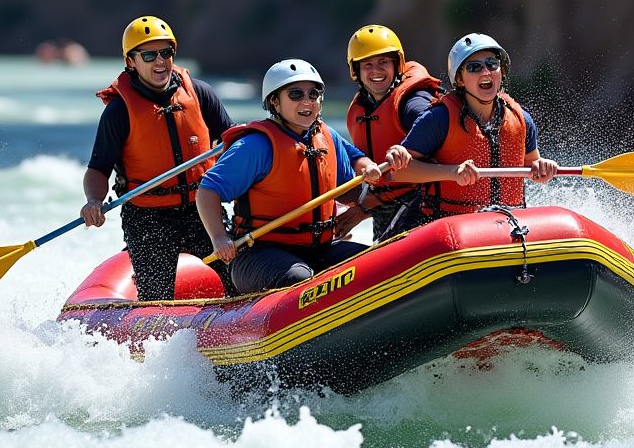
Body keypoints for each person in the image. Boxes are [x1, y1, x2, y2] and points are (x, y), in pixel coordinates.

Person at [195, 58, 396, 294]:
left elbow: (349, 189)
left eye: (314, 93)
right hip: (260, 253)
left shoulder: (328, 137)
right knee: (299, 277)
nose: (307, 101)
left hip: (319, 249)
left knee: (377, 261)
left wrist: (371, 182)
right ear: (274, 102)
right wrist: (219, 237)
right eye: (296, 94)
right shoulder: (256, 146)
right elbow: (207, 190)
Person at [80, 16, 233, 300]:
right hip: (148, 216)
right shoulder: (118, 112)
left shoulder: (199, 94)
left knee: (236, 278)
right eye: (149, 55)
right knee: (157, 297)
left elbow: (235, 144)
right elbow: (97, 170)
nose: (160, 61)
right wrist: (93, 201)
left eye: (166, 52)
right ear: (131, 62)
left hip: (202, 207)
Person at [385, 33, 559, 224]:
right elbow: (399, 171)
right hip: (447, 223)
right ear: (460, 79)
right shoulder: (438, 119)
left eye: (492, 64)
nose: (486, 72)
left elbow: (531, 166)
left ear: (501, 71)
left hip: (509, 223)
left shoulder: (522, 119)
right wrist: (452, 173)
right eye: (474, 67)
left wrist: (542, 168)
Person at [339, 24, 440, 241]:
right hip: (384, 205)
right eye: (367, 64)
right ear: (356, 71)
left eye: (383, 62)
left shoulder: (413, 105)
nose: (376, 71)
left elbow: (442, 150)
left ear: (397, 65)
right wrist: (363, 209)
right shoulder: (359, 110)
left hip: (424, 203)